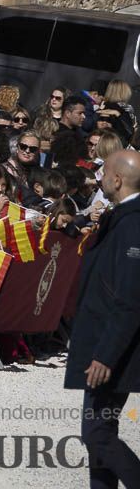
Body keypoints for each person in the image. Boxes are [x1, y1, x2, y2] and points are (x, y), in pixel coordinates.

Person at [65, 149, 140, 489]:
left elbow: (130, 298)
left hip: (111, 351)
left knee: (96, 434)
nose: (99, 177)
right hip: (102, 345)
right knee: (100, 435)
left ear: (117, 179)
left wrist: (106, 354)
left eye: (103, 171)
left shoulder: (133, 223)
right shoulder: (122, 216)